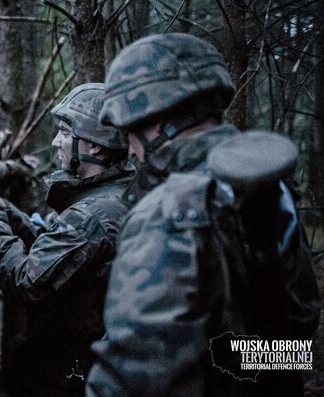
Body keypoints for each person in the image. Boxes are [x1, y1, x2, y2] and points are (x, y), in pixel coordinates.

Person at [86, 33, 321, 397]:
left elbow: (136, 382)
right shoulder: (271, 188)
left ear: (158, 121)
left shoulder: (167, 213)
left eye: (129, 131)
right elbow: (301, 326)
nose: (130, 151)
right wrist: (232, 363)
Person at [0, 83, 133, 396]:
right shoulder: (116, 196)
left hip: (74, 373)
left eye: (64, 132)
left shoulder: (91, 214)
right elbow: (66, 255)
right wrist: (10, 215)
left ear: (95, 146)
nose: (57, 141)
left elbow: (28, 281)